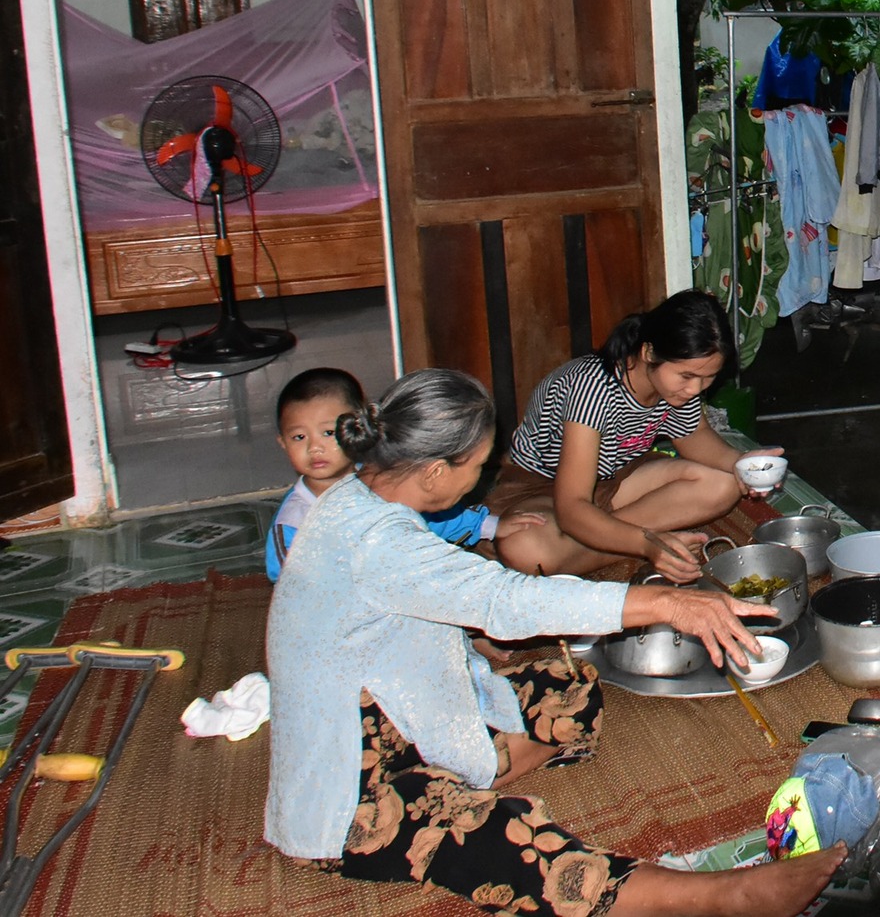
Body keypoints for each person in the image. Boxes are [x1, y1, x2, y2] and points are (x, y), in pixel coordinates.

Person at [265, 367, 843, 916]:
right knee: (500, 836)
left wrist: (463, 648)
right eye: (481, 466)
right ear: (436, 471)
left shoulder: (357, 499)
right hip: (349, 789)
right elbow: (506, 599)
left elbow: (401, 613)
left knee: (567, 685)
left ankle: (469, 766)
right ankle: (718, 900)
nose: (483, 480)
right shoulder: (376, 541)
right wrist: (668, 602)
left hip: (397, 714)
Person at [491, 291, 779, 582]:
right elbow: (571, 507)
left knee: (724, 485)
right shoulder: (592, 389)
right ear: (649, 352)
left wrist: (741, 464)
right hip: (545, 489)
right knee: (525, 547)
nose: (695, 389)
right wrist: (646, 543)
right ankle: (624, 541)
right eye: (687, 376)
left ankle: (598, 541)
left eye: (708, 378)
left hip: (616, 477)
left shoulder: (676, 385)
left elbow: (694, 436)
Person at [266, 367, 541, 581]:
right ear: (282, 442)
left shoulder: (379, 480)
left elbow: (432, 515)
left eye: (327, 433)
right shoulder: (295, 522)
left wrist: (487, 526)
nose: (314, 447)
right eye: (299, 436)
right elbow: (293, 587)